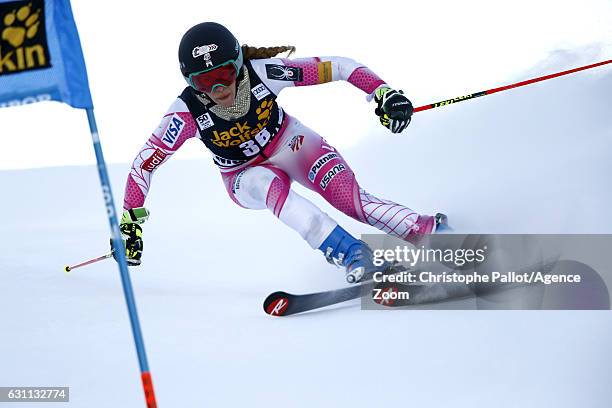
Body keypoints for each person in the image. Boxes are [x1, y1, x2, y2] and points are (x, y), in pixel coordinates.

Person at [115, 22, 447, 283]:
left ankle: (426, 231)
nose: (218, 90)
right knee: (266, 184)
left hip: (291, 143)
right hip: (242, 175)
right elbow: (144, 166)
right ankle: (353, 253)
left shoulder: (265, 72)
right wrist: (130, 224)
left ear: (239, 65)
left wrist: (384, 93)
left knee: (350, 199)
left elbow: (341, 67)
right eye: (204, 82)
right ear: (189, 81)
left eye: (225, 74)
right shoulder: (185, 113)